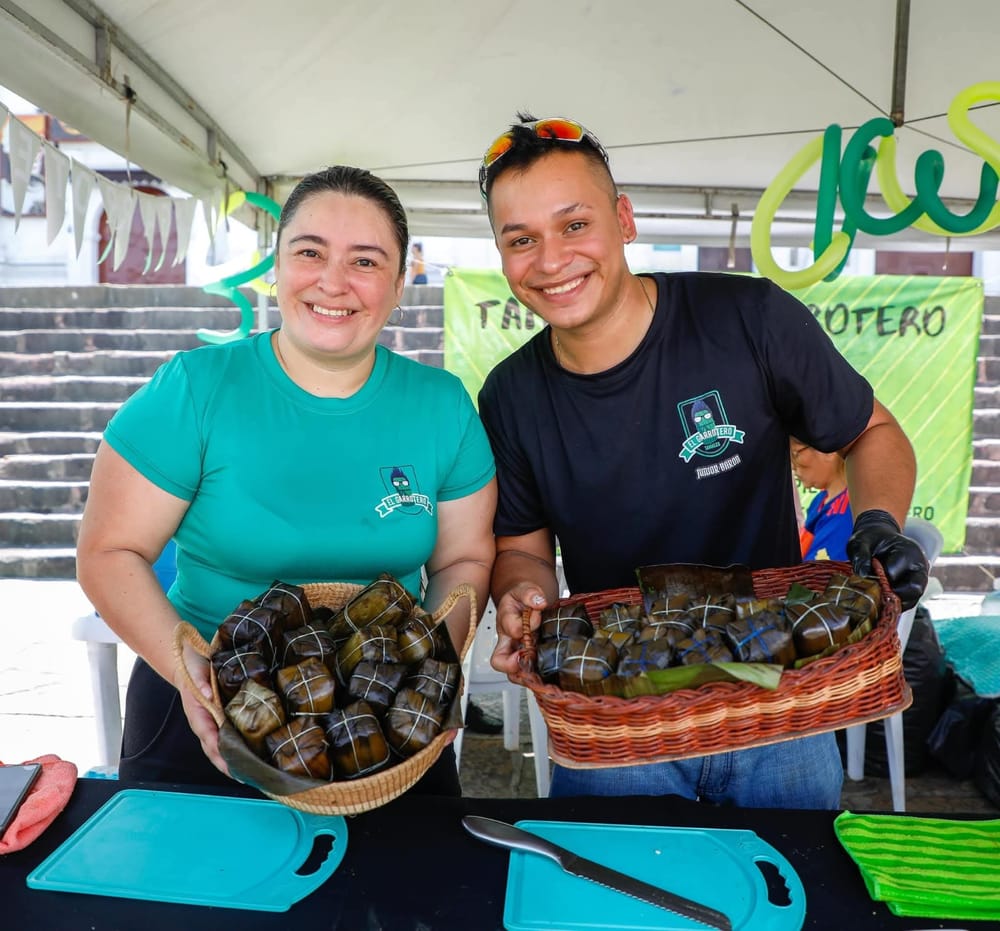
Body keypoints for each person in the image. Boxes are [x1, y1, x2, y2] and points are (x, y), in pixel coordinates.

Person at [477, 114, 929, 808]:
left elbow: (872, 431)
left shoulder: (748, 318)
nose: (551, 259)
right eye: (521, 239)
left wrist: (877, 524)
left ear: (623, 219)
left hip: (780, 713)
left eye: (574, 225)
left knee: (793, 907)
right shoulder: (511, 395)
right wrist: (522, 600)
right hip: (621, 727)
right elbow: (524, 551)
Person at [76, 166, 497, 792]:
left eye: (366, 261)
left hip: (383, 725)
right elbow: (110, 552)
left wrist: (428, 673)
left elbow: (464, 558)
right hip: (203, 701)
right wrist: (193, 675)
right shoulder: (195, 388)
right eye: (310, 252)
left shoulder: (441, 404)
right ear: (275, 265)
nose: (333, 282)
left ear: (402, 282)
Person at [791, 437, 853, 561]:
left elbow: (816, 572)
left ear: (828, 450)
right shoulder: (820, 499)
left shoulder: (846, 511)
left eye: (796, 454)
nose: (793, 465)